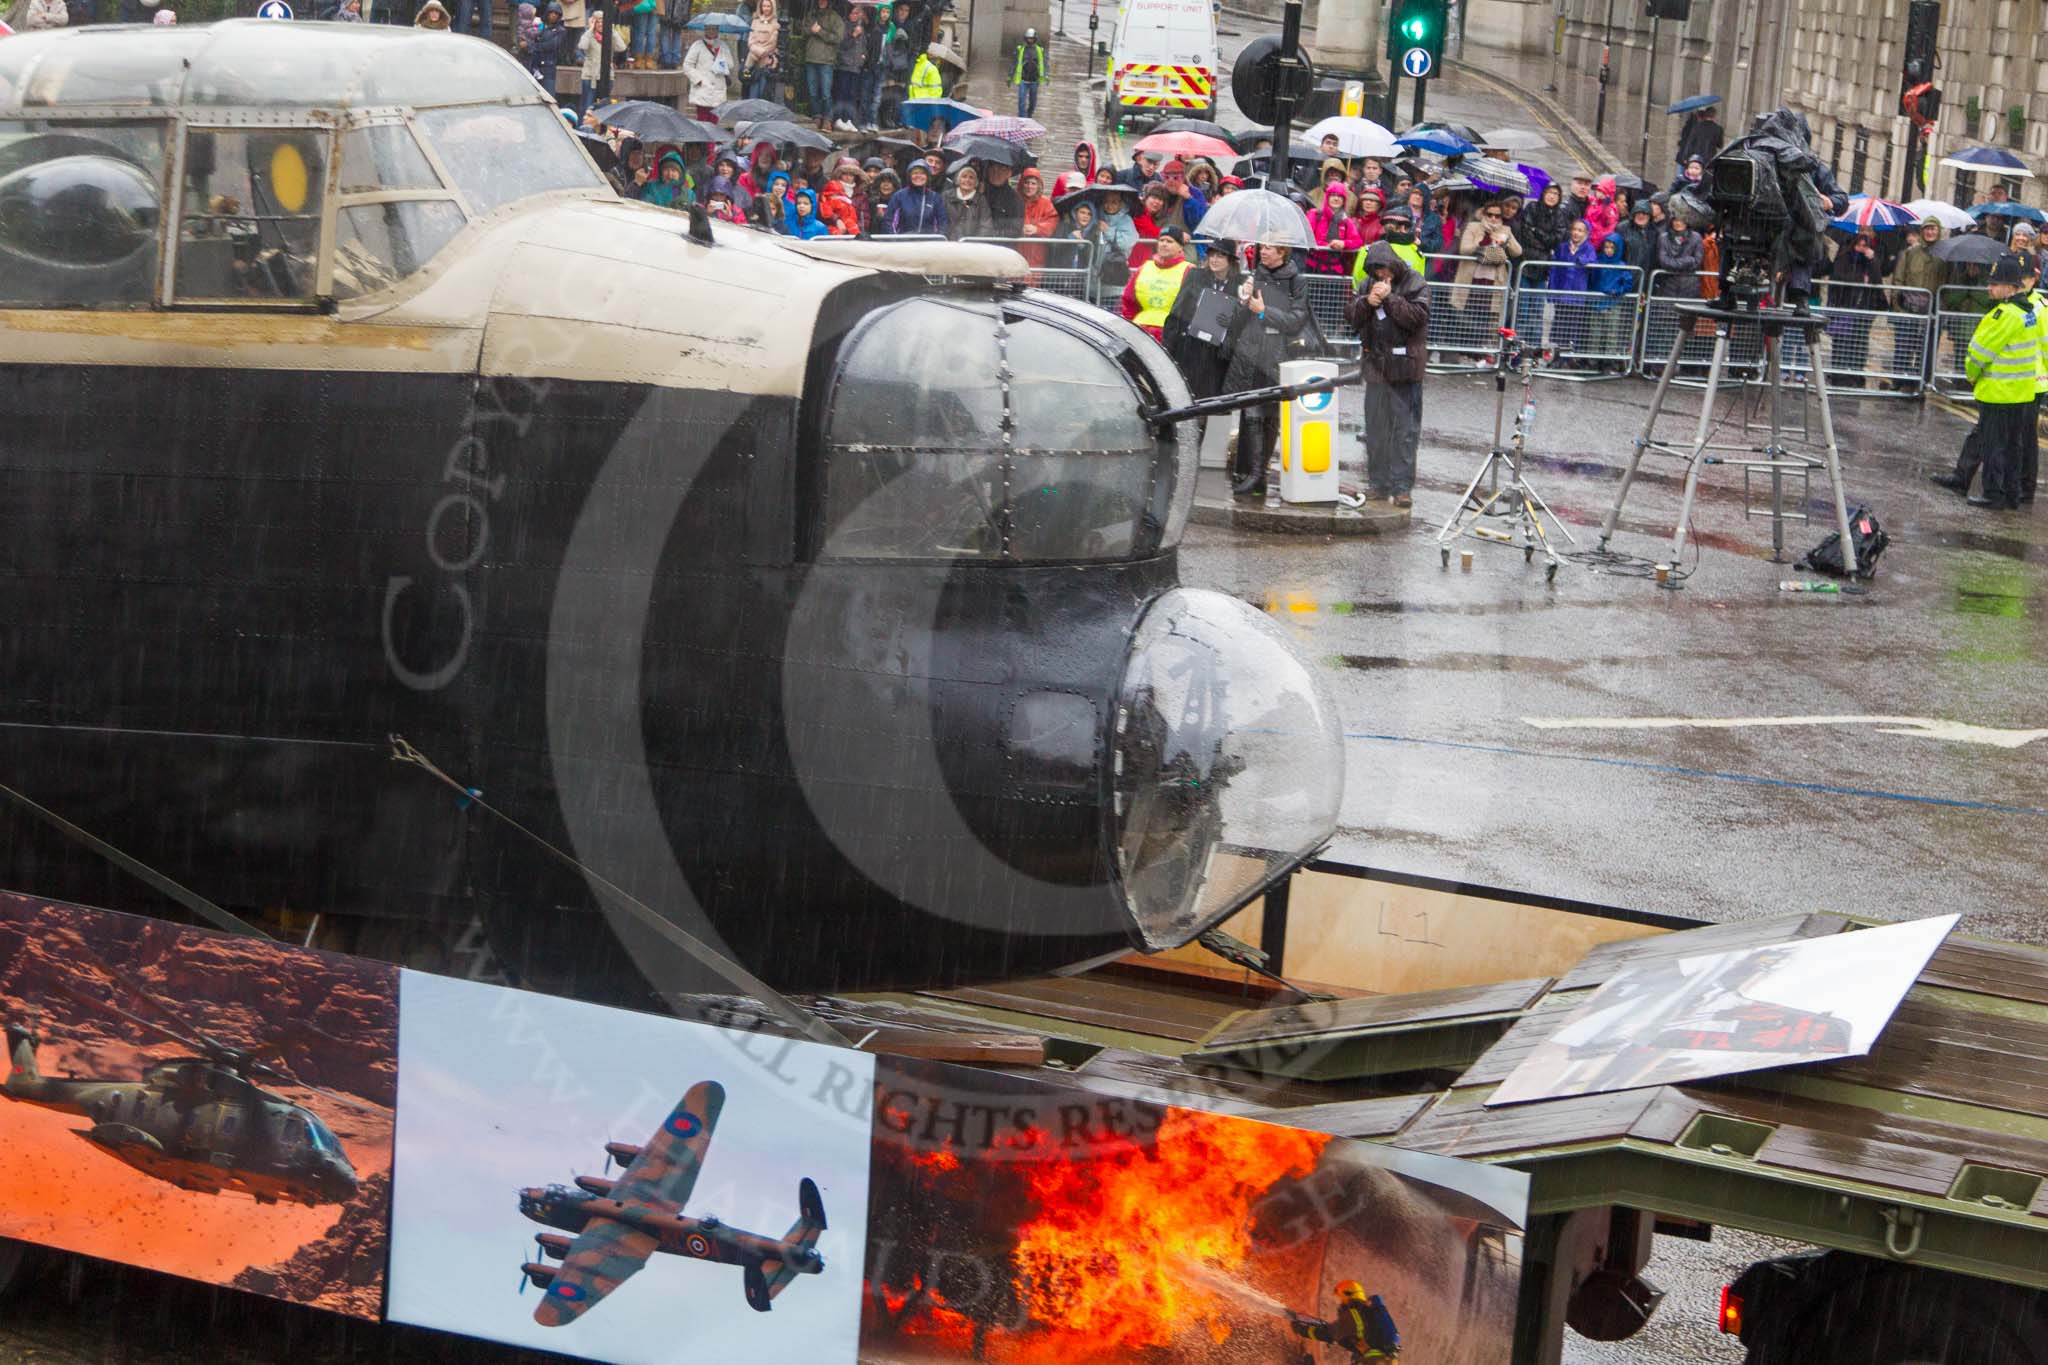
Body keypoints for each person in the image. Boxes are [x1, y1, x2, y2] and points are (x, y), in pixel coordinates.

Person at [1223, 241, 1311, 498]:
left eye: (1270, 248)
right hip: (1251, 351)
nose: (1264, 251)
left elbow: (1296, 320)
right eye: (1263, 247)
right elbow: (1238, 318)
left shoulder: (1297, 280)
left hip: (1278, 353)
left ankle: (1258, 472)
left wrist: (1264, 312)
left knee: (1269, 414)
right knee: (1251, 411)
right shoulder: (1254, 276)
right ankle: (1251, 472)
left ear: (1283, 252)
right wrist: (1242, 299)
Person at [1348, 241, 1430, 507]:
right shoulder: (1366, 284)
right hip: (1376, 368)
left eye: (1384, 268)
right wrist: (1366, 303)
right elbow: (1350, 317)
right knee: (1376, 430)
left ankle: (1402, 486)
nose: (1381, 275)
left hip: (1405, 368)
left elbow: (1417, 317)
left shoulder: (1414, 282)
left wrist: (1389, 298)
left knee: (1405, 431)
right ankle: (1378, 483)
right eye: (1376, 270)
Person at [1959, 251, 2037, 509]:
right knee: (2014, 447)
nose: (1989, 288)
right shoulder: (2028, 312)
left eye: (1994, 284)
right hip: (2021, 392)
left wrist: (1971, 374)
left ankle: (1993, 494)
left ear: (2011, 287)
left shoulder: (2003, 315)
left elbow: (1979, 354)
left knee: (1994, 446)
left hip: (1998, 392)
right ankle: (2011, 494)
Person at [1163, 239, 1240, 444]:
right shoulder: (1196, 276)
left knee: (1206, 406)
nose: (1214, 259)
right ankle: (1179, 448)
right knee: (1186, 402)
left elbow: (1246, 321)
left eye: (1220, 255)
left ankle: (1194, 451)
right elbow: (1177, 311)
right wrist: (1168, 348)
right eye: (1211, 254)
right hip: (1191, 347)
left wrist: (1235, 314)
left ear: (1230, 260)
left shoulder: (1239, 284)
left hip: (1217, 354)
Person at [1890, 217, 1945, 393]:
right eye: (1927, 229)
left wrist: (1942, 308)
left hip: (1932, 309)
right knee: (1903, 345)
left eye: (1933, 229)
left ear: (1939, 231)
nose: (1930, 232)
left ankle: (1920, 381)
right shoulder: (1910, 253)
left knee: (1926, 348)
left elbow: (1948, 283)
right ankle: (1900, 380)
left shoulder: (1944, 256)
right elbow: (1899, 279)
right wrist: (1897, 304)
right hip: (1909, 307)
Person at [1825, 229, 1885, 386]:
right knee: (1841, 343)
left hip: (1863, 308)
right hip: (1844, 307)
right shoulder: (1844, 257)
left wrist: (1872, 260)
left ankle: (1856, 375)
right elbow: (1838, 277)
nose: (1861, 248)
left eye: (1865, 245)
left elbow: (1877, 281)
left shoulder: (1870, 260)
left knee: (1859, 343)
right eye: (1859, 245)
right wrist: (1860, 279)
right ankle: (1839, 375)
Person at [1291, 1282, 1401, 1362]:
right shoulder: (1368, 1315)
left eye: (1341, 1299)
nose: (1340, 1304)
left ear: (1347, 1296)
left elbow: (1328, 1334)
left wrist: (1301, 1329)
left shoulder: (1353, 1316)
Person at [1451, 199, 1520, 318]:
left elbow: (1518, 251)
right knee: (1465, 319)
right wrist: (1484, 243)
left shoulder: (1505, 230)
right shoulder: (1473, 227)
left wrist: (1506, 241)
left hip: (1494, 282)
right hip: (1471, 280)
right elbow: (1464, 249)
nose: (1493, 218)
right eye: (1490, 215)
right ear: (1484, 214)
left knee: (1487, 320)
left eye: (1497, 216)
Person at [1121, 225, 1192, 339]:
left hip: (1171, 334)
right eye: (1161, 240)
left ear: (1180, 247)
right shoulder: (1144, 267)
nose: (1164, 244)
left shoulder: (1189, 270)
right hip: (1140, 331)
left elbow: (1191, 308)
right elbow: (1128, 301)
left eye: (1169, 241)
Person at [1549, 218, 1596, 358]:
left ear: (1586, 233)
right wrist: (1552, 290)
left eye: (1580, 230)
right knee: (1560, 325)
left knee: (1573, 326)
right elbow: (1554, 268)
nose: (1576, 233)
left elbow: (1593, 261)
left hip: (1577, 295)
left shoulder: (1589, 248)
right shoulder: (1562, 247)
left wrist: (1584, 261)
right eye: (1574, 229)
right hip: (1562, 293)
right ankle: (1558, 355)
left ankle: (1570, 356)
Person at [1589, 233, 1634, 371]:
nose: (1608, 250)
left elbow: (1628, 282)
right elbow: (1592, 280)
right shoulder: (1598, 262)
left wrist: (1619, 290)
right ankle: (1593, 360)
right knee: (1594, 333)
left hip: (1613, 302)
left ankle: (1609, 361)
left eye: (1611, 248)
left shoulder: (1621, 265)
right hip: (1597, 303)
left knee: (1611, 333)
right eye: (1606, 247)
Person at [1306, 182, 1363, 275]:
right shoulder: (1315, 214)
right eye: (1333, 195)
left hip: (1334, 269)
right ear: (1327, 197)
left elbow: (1358, 242)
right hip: (1312, 266)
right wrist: (1327, 246)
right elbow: (1307, 237)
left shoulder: (1346, 221)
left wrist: (1344, 244)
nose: (1336, 199)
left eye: (1340, 196)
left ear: (1344, 200)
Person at [804, 1, 846, 129]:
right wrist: (811, 30)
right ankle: (816, 116)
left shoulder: (835, 17)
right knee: (812, 92)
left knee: (826, 93)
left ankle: (827, 119)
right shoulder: (810, 15)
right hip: (811, 58)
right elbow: (802, 31)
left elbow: (838, 38)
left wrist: (820, 31)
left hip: (826, 60)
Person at [575, 13, 625, 117]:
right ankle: (584, 128)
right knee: (587, 106)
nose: (601, 24)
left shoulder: (611, 35)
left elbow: (621, 48)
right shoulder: (588, 35)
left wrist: (612, 30)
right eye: (598, 22)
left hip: (607, 75)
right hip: (590, 76)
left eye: (603, 21)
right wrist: (590, 29)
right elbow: (582, 46)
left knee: (603, 107)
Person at [682, 20, 735, 119]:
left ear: (718, 30)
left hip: (718, 87)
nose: (711, 31)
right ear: (705, 30)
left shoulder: (723, 46)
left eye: (714, 29)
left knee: (715, 118)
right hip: (703, 86)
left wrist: (720, 60)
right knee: (702, 118)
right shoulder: (697, 45)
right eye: (709, 29)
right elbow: (687, 65)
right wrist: (698, 80)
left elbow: (730, 64)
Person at [881, 158, 946, 234]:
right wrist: (894, 240)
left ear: (927, 177)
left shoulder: (935, 198)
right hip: (903, 242)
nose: (918, 176)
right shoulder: (899, 196)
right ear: (910, 176)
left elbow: (942, 224)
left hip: (928, 242)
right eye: (915, 173)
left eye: (922, 173)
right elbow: (888, 222)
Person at [743, 0, 780, 102]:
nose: (766, 8)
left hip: (767, 61)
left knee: (763, 91)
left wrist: (763, 52)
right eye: (764, 6)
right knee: (753, 90)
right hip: (754, 60)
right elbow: (750, 41)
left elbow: (773, 43)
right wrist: (758, 51)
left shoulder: (776, 23)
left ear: (772, 7)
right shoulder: (754, 21)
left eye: (768, 6)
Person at [946, 162, 990, 239]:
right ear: (958, 179)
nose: (967, 180)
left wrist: (974, 243)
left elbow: (986, 226)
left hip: (971, 245)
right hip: (948, 243)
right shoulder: (946, 196)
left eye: (971, 177)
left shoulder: (981, 200)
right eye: (964, 176)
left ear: (976, 182)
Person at [1011, 26, 1047, 118]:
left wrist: (1046, 76)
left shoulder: (1039, 50)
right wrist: (1010, 76)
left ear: (1035, 39)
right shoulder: (1020, 49)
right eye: (1028, 38)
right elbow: (1014, 63)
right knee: (1021, 100)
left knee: (1033, 102)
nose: (1030, 40)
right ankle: (1022, 118)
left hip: (1034, 81)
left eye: (1031, 38)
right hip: (1023, 80)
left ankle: (1029, 115)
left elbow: (1044, 64)